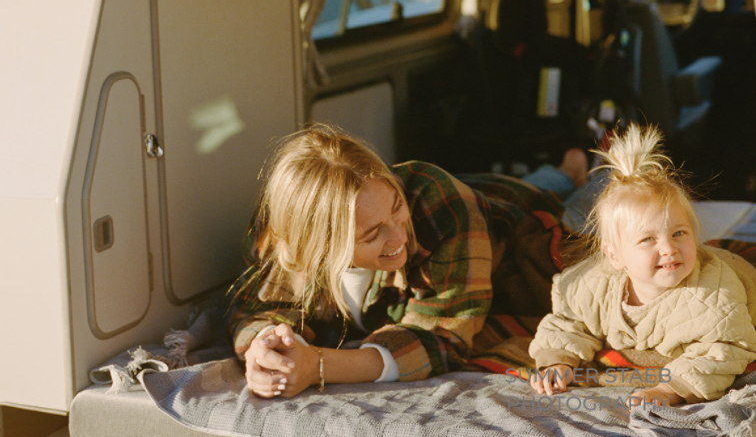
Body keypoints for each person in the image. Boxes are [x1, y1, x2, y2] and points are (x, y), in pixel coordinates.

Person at [228, 123, 588, 399]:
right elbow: (252, 309)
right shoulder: (277, 237)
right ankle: (563, 172)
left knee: (593, 204)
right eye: (372, 235)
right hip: (478, 191)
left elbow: (442, 336)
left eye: (397, 208)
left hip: (516, 219)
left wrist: (318, 366)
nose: (400, 239)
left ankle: (570, 171)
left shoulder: (440, 205)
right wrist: (267, 346)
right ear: (318, 246)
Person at [529, 124, 756, 407]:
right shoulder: (592, 284)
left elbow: (725, 348)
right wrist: (558, 361)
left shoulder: (713, 297)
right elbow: (569, 320)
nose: (669, 248)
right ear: (614, 256)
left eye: (679, 233)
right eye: (648, 238)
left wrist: (670, 389)